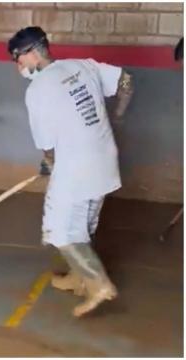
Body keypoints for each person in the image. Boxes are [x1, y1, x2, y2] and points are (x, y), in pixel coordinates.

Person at [8, 26, 134, 317]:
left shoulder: (37, 90)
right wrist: (117, 117)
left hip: (76, 167)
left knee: (61, 229)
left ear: (32, 53)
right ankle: (79, 278)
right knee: (83, 223)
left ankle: (99, 285)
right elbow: (127, 82)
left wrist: (51, 165)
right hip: (104, 159)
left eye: (18, 58)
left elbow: (47, 146)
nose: (18, 66)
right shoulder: (83, 66)